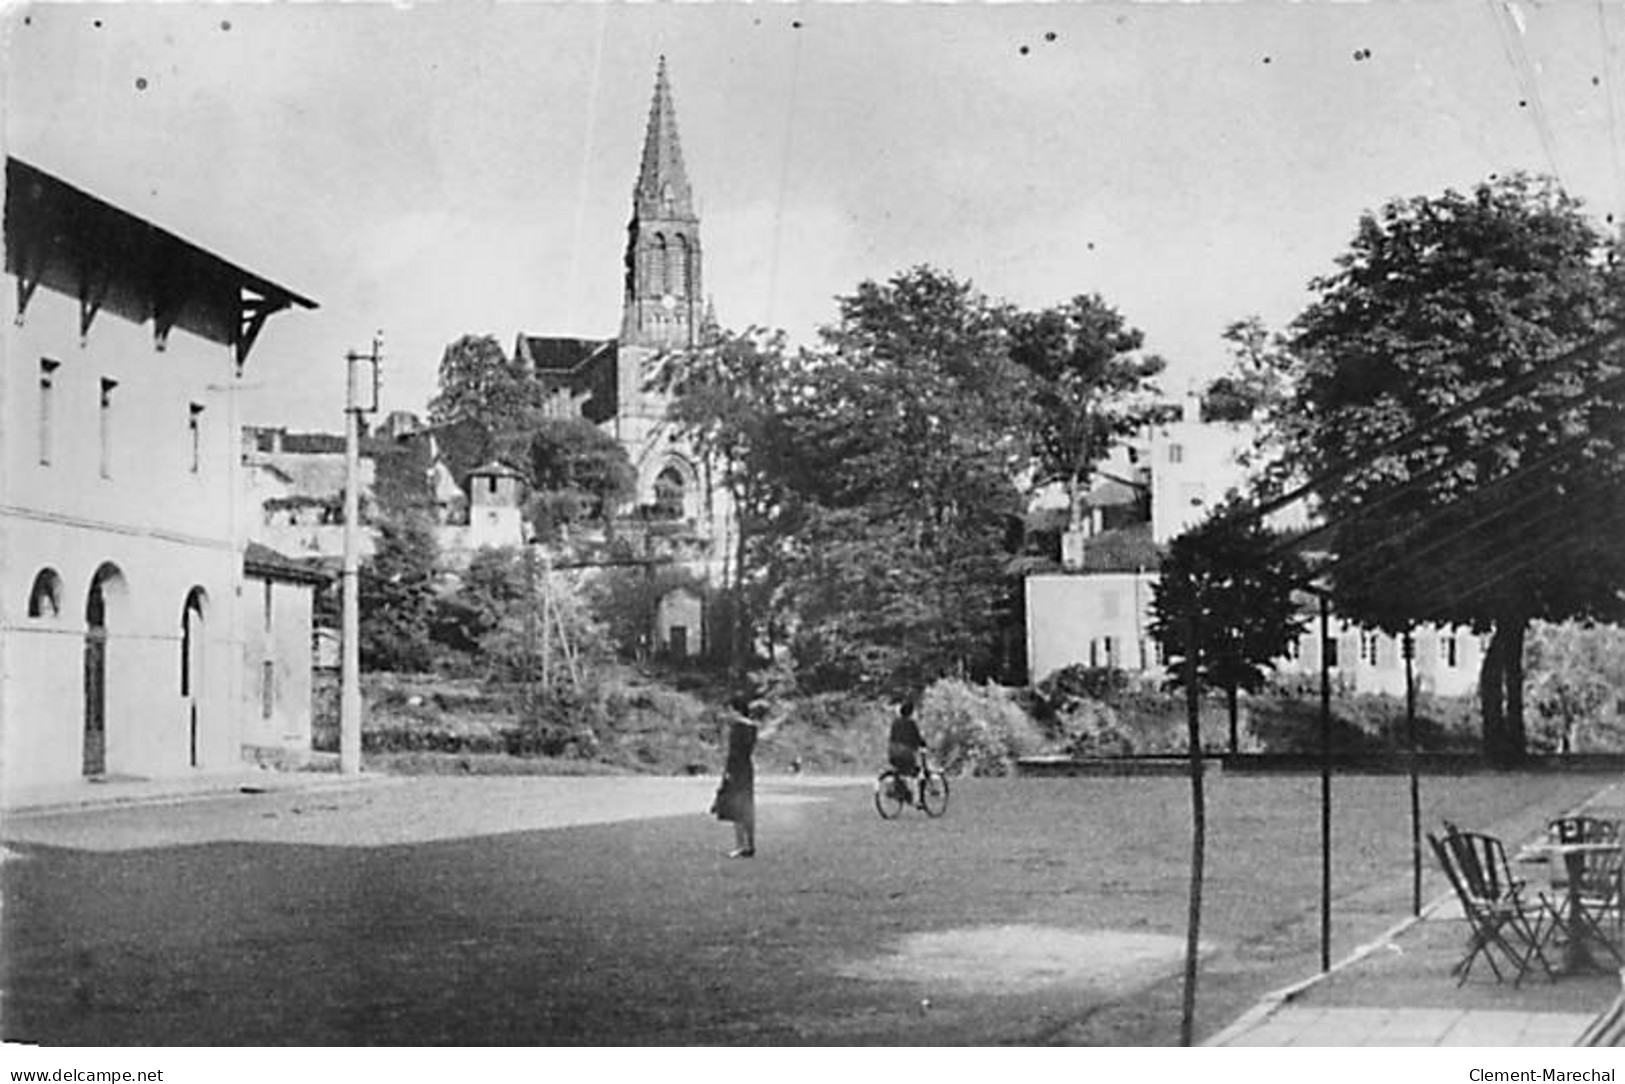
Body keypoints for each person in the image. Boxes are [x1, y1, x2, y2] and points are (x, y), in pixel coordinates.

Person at [710, 706, 757, 858]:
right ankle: (750, 845)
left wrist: (728, 774)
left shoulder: (737, 728)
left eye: (730, 710)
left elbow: (734, 753)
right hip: (747, 769)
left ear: (736, 711)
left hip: (737, 770)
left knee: (737, 809)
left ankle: (740, 845)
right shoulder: (753, 728)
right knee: (748, 807)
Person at [887, 699, 926, 806]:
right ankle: (916, 801)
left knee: (900, 772)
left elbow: (892, 737)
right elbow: (917, 739)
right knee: (916, 774)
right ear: (911, 712)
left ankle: (897, 790)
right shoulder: (911, 723)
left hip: (893, 752)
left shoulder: (895, 722)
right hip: (905, 753)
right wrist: (922, 745)